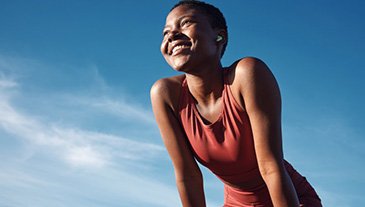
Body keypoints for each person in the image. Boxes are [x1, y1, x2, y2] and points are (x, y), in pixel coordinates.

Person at [150, 1, 322, 206]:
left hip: (290, 198)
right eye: (165, 32)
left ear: (219, 36)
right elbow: (188, 176)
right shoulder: (166, 95)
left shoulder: (247, 74)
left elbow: (270, 166)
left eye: (185, 23)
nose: (172, 35)